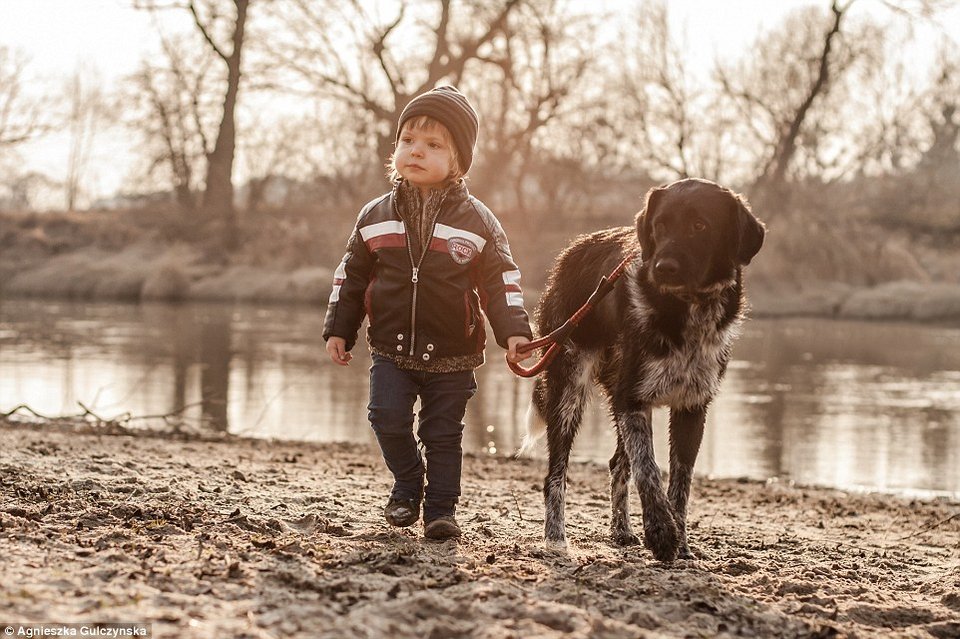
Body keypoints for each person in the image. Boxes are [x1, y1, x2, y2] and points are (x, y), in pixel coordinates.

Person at [323, 86, 534, 540]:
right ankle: (406, 483)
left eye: (433, 144)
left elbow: (502, 280)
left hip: (453, 355)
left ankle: (441, 511)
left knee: (442, 435)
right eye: (408, 141)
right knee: (385, 415)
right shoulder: (374, 215)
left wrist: (514, 331)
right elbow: (351, 276)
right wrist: (339, 328)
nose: (416, 151)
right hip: (391, 347)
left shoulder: (477, 220)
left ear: (458, 161)